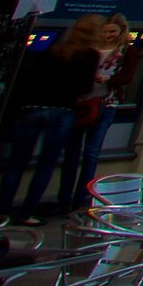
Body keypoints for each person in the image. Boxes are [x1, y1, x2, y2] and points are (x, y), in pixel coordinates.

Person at [0, 20, 96, 220]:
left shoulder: (53, 50)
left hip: (31, 109)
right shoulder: (89, 55)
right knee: (46, 163)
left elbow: (29, 77)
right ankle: (27, 213)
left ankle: (1, 213)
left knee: (16, 163)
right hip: (61, 111)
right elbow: (85, 87)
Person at [57, 14, 132, 210]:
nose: (108, 35)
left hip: (106, 104)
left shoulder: (125, 52)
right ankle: (64, 199)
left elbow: (127, 77)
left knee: (91, 152)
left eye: (112, 32)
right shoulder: (90, 51)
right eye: (105, 31)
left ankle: (82, 197)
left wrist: (108, 79)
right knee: (72, 153)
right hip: (82, 103)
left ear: (121, 31)